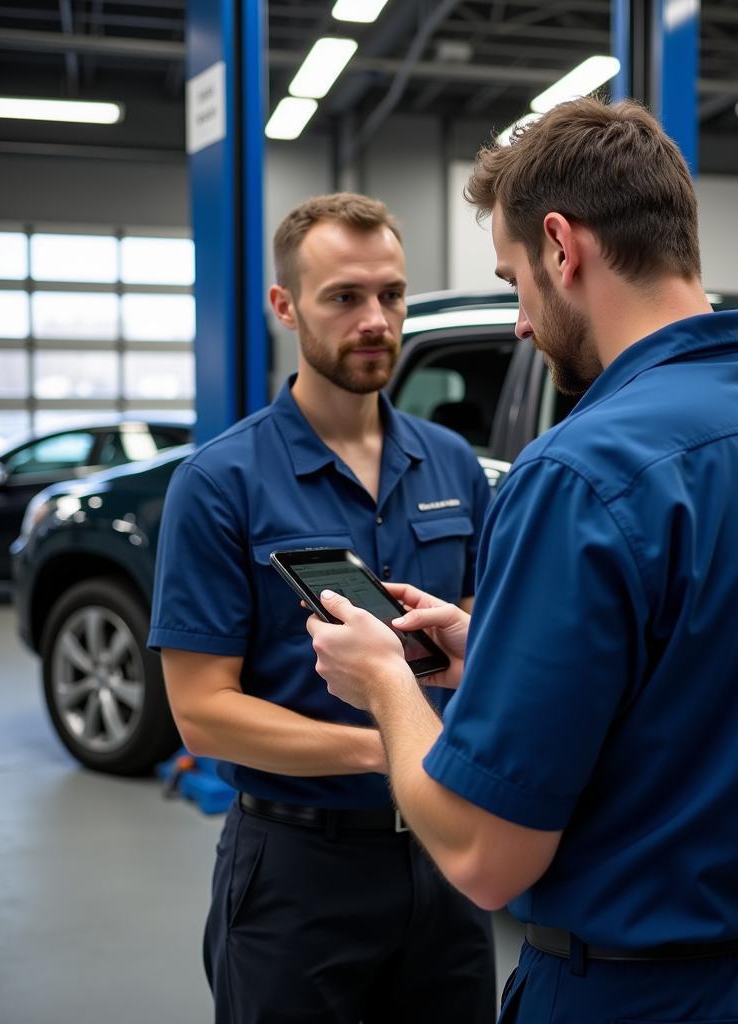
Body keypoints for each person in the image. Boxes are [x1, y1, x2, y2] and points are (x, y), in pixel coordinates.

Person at [306, 100, 738, 1024]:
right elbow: (722, 686)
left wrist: (388, 685)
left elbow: (482, 856)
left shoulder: (579, 473)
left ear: (561, 246)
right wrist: (492, 650)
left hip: (636, 996)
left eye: (513, 282)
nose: (519, 325)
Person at [148, 192, 496, 1024]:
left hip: (449, 868)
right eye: (344, 297)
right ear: (285, 306)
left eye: (392, 295)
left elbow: (482, 638)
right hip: (298, 871)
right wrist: (392, 750)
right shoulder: (219, 483)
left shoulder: (452, 464)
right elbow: (202, 716)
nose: (375, 319)